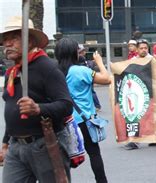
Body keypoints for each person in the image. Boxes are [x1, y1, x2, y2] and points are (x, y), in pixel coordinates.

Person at [1, 16, 73, 182]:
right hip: (16, 147)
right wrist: (5, 143)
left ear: (30, 41)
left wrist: (38, 108)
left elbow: (66, 105)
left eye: (14, 38)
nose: (7, 44)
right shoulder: (11, 73)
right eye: (5, 40)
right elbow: (13, 109)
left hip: (45, 143)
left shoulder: (47, 68)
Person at [55, 38, 110, 182]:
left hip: (63, 121)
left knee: (64, 157)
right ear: (74, 53)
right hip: (83, 120)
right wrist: (98, 61)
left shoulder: (54, 72)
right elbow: (107, 79)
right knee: (94, 153)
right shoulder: (81, 71)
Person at [78, 44, 102, 111]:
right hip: (86, 75)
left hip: (88, 76)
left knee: (91, 91)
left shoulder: (85, 61)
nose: (83, 53)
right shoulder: (84, 60)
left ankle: (97, 105)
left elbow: (105, 79)